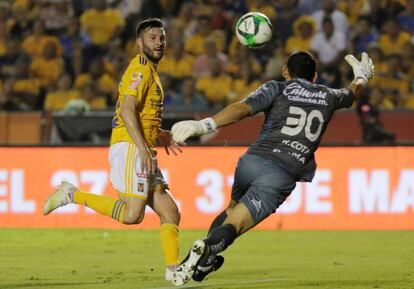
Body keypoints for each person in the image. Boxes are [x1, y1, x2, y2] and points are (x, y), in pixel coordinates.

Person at [169, 51, 375, 286]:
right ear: (315, 77)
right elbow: (352, 94)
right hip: (280, 173)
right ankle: (206, 249)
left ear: (286, 71)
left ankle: (201, 262)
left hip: (251, 161)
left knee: (231, 210)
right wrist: (361, 76)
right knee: (234, 226)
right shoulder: (329, 96)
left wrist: (205, 124)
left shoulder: (277, 88)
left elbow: (244, 108)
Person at [43, 18, 183, 281]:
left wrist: (160, 135)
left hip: (142, 145)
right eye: (153, 38)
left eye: (162, 38)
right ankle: (72, 195)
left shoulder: (151, 72)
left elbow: (140, 114)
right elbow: (127, 109)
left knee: (170, 212)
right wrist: (142, 147)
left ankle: (174, 271)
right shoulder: (140, 68)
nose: (159, 42)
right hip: (131, 146)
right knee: (132, 215)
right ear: (139, 43)